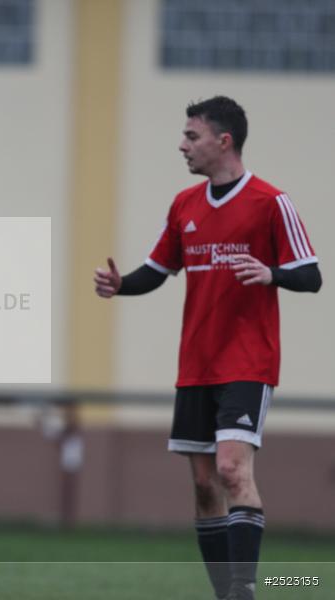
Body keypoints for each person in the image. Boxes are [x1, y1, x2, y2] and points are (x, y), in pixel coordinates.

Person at [94, 96, 321, 600]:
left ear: (224, 141)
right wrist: (120, 284)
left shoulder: (270, 202)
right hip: (196, 364)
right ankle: (225, 594)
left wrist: (272, 273)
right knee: (203, 486)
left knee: (231, 468)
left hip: (248, 362)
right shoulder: (185, 205)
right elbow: (159, 270)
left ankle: (244, 589)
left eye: (191, 136)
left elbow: (312, 275)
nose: (182, 145)